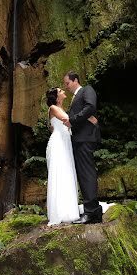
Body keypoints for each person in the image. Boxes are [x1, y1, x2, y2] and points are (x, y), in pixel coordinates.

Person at [63, 71, 102, 224]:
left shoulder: (87, 90)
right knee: (84, 173)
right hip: (79, 139)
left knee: (86, 173)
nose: (66, 87)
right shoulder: (74, 98)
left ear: (75, 80)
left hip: (85, 138)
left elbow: (91, 107)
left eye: (67, 83)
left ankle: (91, 213)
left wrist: (73, 120)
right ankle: (93, 212)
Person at [45, 87, 80, 225]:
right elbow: (66, 120)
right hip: (58, 143)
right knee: (60, 172)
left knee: (67, 172)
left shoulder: (61, 108)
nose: (64, 92)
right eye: (61, 91)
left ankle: (69, 210)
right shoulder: (53, 108)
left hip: (65, 143)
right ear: (56, 96)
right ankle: (59, 211)